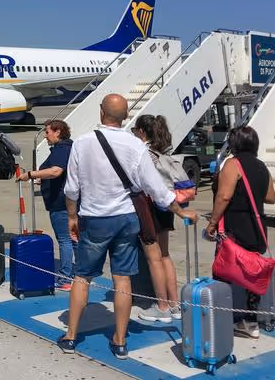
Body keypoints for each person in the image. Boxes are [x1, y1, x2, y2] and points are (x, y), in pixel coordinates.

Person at [58, 94, 196, 360]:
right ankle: (120, 340)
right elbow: (154, 187)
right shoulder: (135, 145)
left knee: (82, 277)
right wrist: (179, 210)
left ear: (101, 113)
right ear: (125, 116)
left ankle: (72, 335)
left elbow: (72, 187)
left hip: (94, 218)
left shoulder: (83, 143)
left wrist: (71, 216)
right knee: (122, 279)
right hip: (125, 219)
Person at [206, 126, 275, 340]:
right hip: (256, 226)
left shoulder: (232, 164)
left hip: (235, 226)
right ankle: (250, 322)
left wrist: (212, 222)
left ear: (234, 143)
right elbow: (271, 197)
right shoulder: (262, 166)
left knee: (222, 270)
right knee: (252, 273)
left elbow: (224, 196)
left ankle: (220, 317)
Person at [129, 114, 186, 323]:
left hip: (150, 209)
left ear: (142, 132)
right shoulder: (163, 151)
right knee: (165, 256)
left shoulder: (144, 153)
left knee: (153, 259)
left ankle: (161, 306)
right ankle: (174, 304)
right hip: (166, 207)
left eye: (136, 130)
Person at [16, 119, 74, 291]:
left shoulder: (62, 149)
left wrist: (32, 174)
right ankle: (77, 274)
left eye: (48, 132)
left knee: (65, 240)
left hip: (61, 203)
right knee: (72, 239)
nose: (46, 136)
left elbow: (56, 171)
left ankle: (66, 277)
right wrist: (43, 179)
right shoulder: (65, 148)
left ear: (58, 132)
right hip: (64, 200)